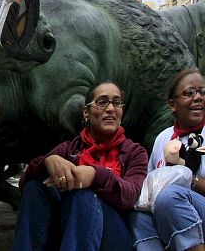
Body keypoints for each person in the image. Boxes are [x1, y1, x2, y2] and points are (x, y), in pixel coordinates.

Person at [13, 81, 147, 251]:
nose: (111, 109)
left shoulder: (135, 152)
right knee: (35, 187)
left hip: (114, 235)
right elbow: (24, 183)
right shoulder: (69, 149)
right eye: (102, 102)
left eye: (117, 102)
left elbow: (131, 195)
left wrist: (96, 175)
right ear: (86, 112)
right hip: (67, 232)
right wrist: (48, 162)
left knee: (84, 196)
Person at [129, 69, 205, 251]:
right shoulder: (163, 138)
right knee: (138, 214)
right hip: (169, 214)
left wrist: (189, 179)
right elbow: (150, 191)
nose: (199, 97)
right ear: (172, 104)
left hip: (192, 208)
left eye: (202, 92)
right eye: (189, 93)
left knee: (169, 196)